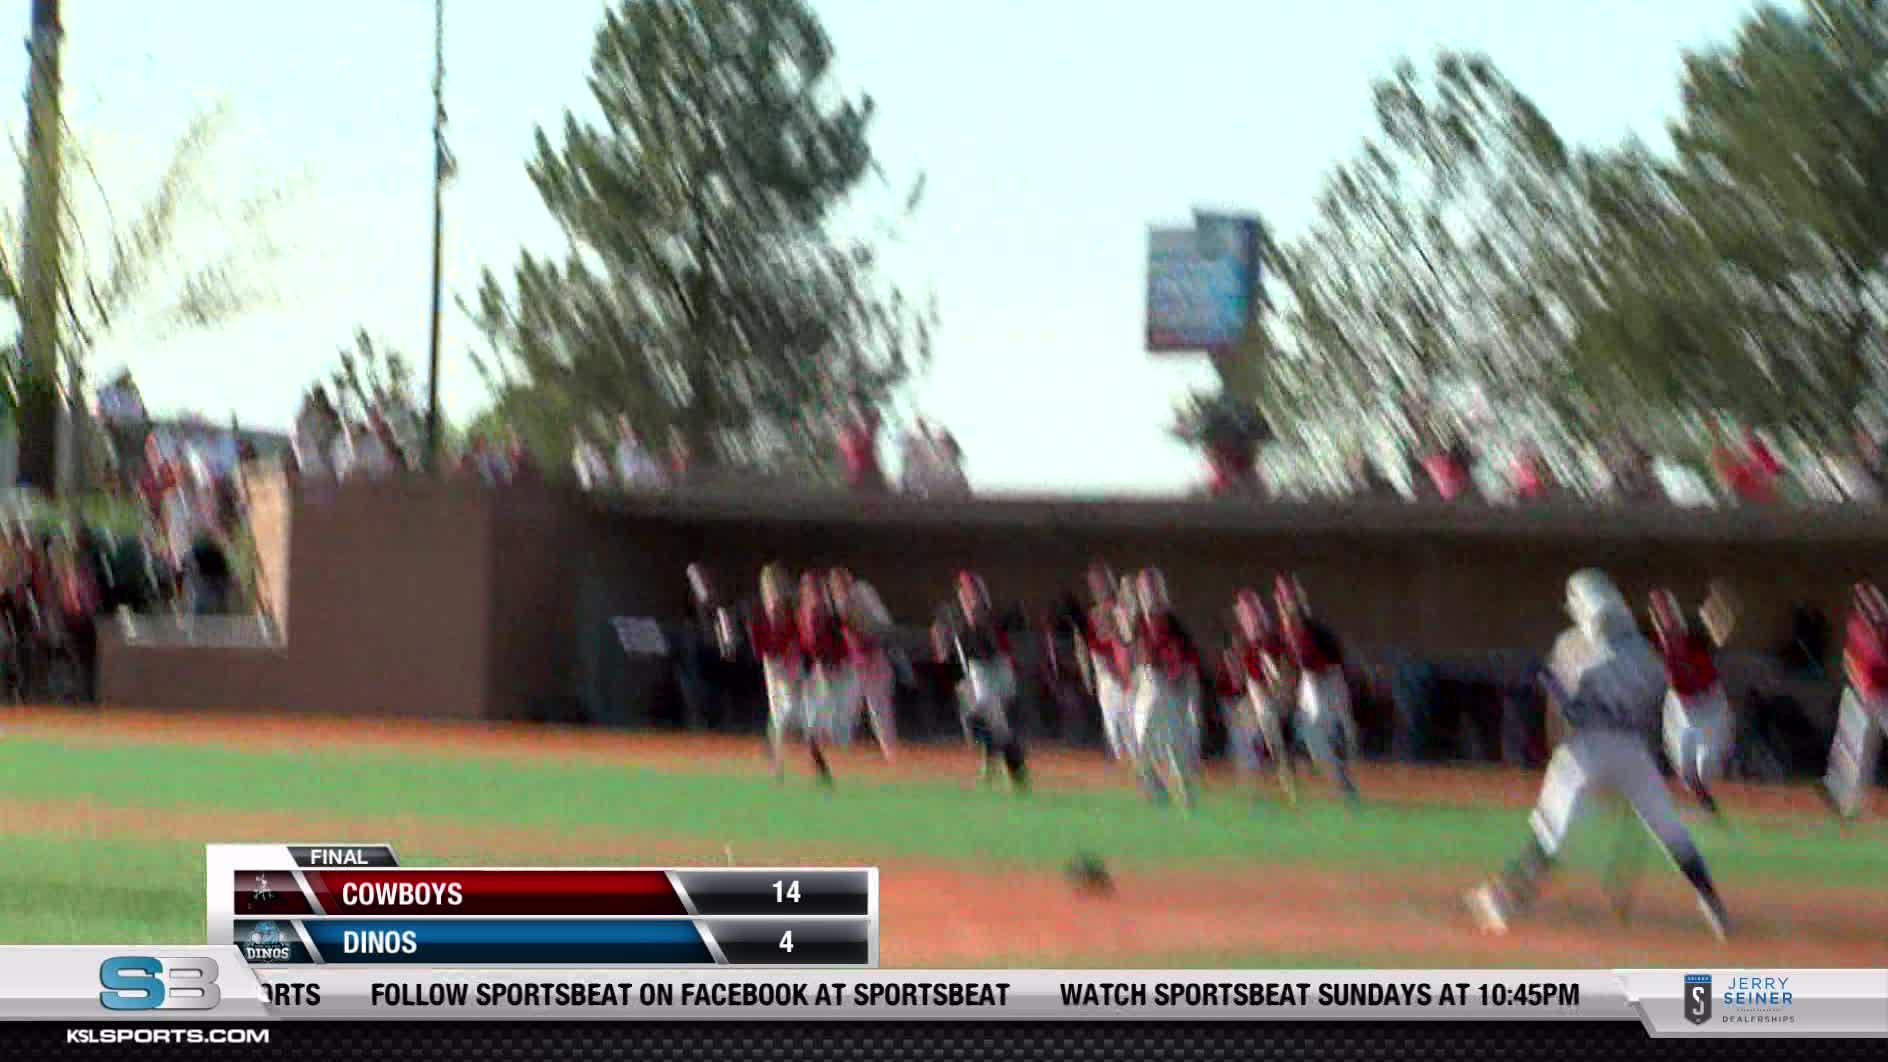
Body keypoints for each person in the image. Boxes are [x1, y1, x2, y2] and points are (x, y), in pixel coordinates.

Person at [1465, 569, 1730, 939]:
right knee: (1670, 830)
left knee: (1551, 830)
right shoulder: (1644, 652)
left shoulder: (1571, 644)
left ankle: (1505, 900)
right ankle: (1712, 904)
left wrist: (1555, 740)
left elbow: (1561, 708)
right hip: (1631, 750)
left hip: (1584, 748)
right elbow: (1660, 698)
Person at [1648, 585, 1735, 817]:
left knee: (1706, 765)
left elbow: (1676, 632)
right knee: (1686, 770)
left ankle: (1709, 798)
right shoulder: (1660, 647)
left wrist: (1663, 606)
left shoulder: (1695, 642)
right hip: (1681, 706)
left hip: (1710, 704)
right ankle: (1704, 802)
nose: (1666, 629)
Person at [1275, 574, 1361, 803]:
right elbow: (1292, 665)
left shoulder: (1315, 632)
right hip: (1311, 681)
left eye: (1291, 605)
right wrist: (1286, 685)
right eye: (1283, 606)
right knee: (1311, 735)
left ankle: (1342, 767)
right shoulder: (1287, 633)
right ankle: (1339, 777)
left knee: (1336, 730)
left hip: (1329, 680)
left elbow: (1333, 660)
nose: (1287, 611)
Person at [938, 571, 1027, 790]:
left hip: (999, 666)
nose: (968, 598)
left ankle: (1008, 765)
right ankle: (1013, 768)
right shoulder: (959, 623)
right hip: (979, 671)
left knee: (997, 722)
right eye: (964, 595)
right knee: (991, 718)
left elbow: (1014, 623)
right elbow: (956, 656)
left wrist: (987, 621)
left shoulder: (992, 616)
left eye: (972, 593)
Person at [1128, 568, 1203, 808]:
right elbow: (1137, 655)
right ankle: (1158, 794)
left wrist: (1182, 693)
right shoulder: (1139, 622)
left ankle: (1188, 799)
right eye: (1144, 590)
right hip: (1148, 683)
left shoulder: (1174, 626)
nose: (1149, 595)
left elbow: (1185, 665)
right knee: (1140, 742)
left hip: (1171, 685)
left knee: (1175, 746)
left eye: (1153, 589)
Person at [1822, 582, 1888, 821]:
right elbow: (1851, 660)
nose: (1868, 608)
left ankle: (1847, 800)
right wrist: (1857, 680)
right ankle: (1846, 801)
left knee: (1860, 750)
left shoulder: (1883, 630)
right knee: (1855, 750)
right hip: (1862, 695)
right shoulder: (1856, 626)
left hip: (1882, 695)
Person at [1231, 587, 1299, 803]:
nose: (1251, 617)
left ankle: (1284, 776)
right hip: (1259, 695)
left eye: (1253, 611)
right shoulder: (1244, 644)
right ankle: (1258, 782)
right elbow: (1243, 680)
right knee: (1247, 724)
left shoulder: (1274, 639)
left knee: (1269, 726)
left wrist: (1278, 678)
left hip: (1279, 694)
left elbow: (1287, 670)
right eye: (1245, 613)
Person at [741, 565, 807, 781]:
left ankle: (780, 749)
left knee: (790, 707)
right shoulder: (761, 615)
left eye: (778, 584)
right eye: (770, 586)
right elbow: (759, 649)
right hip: (775, 664)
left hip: (792, 661)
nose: (775, 590)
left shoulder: (792, 609)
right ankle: (775, 760)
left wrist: (793, 648)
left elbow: (800, 633)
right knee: (779, 711)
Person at [829, 568, 897, 761]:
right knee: (847, 706)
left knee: (878, 708)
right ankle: (839, 751)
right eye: (835, 583)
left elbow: (882, 623)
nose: (839, 586)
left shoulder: (862, 593)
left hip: (874, 659)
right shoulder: (837, 602)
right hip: (856, 662)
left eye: (842, 581)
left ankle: (890, 752)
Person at [794, 571, 849, 785]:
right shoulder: (807, 614)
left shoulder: (828, 611)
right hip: (822, 668)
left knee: (833, 721)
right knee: (820, 717)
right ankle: (818, 758)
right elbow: (809, 643)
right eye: (811, 588)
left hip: (837, 666)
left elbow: (839, 637)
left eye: (817, 588)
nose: (815, 592)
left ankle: (822, 756)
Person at [835, 398, 885, 493]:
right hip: (862, 481)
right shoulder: (845, 441)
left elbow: (873, 425)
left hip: (870, 477)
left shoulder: (857, 435)